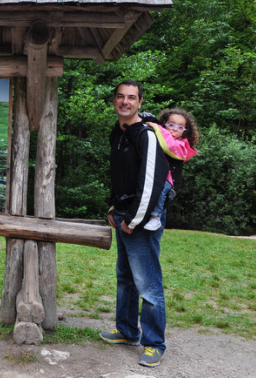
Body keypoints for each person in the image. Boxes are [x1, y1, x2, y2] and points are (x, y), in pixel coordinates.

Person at [100, 80, 171, 368]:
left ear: (140, 102)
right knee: (125, 278)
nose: (125, 102)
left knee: (148, 284)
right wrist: (114, 206)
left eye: (131, 97)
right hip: (124, 213)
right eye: (120, 97)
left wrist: (133, 219)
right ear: (114, 100)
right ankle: (127, 331)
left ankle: (154, 343)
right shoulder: (117, 132)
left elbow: (151, 182)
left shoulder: (147, 136)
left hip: (141, 219)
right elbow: (121, 174)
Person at [143, 108, 200, 231]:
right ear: (164, 124)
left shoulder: (181, 144)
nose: (175, 129)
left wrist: (157, 128)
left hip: (169, 180)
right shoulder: (159, 136)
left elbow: (169, 146)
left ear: (185, 131)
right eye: (171, 125)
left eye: (180, 127)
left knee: (161, 189)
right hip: (156, 174)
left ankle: (155, 217)